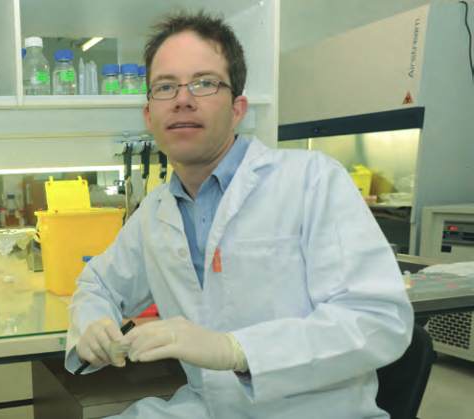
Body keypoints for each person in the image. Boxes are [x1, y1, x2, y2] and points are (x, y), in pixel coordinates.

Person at [66, 12, 412, 418]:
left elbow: (377, 320)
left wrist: (237, 350)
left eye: (204, 82)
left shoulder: (312, 181)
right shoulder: (155, 213)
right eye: (165, 86)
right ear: (149, 116)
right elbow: (97, 284)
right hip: (207, 407)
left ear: (237, 108)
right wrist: (93, 324)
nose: (182, 99)